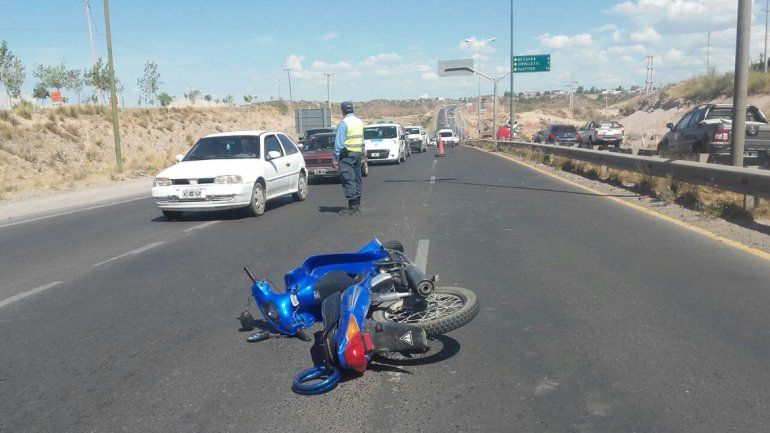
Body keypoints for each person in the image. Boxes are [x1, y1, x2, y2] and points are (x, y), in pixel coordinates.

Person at [331, 101, 364, 215]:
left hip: (347, 155)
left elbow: (339, 144)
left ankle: (352, 206)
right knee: (357, 179)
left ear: (342, 111)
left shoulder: (343, 123)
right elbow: (362, 139)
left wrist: (335, 158)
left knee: (348, 179)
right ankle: (358, 205)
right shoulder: (359, 122)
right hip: (358, 154)